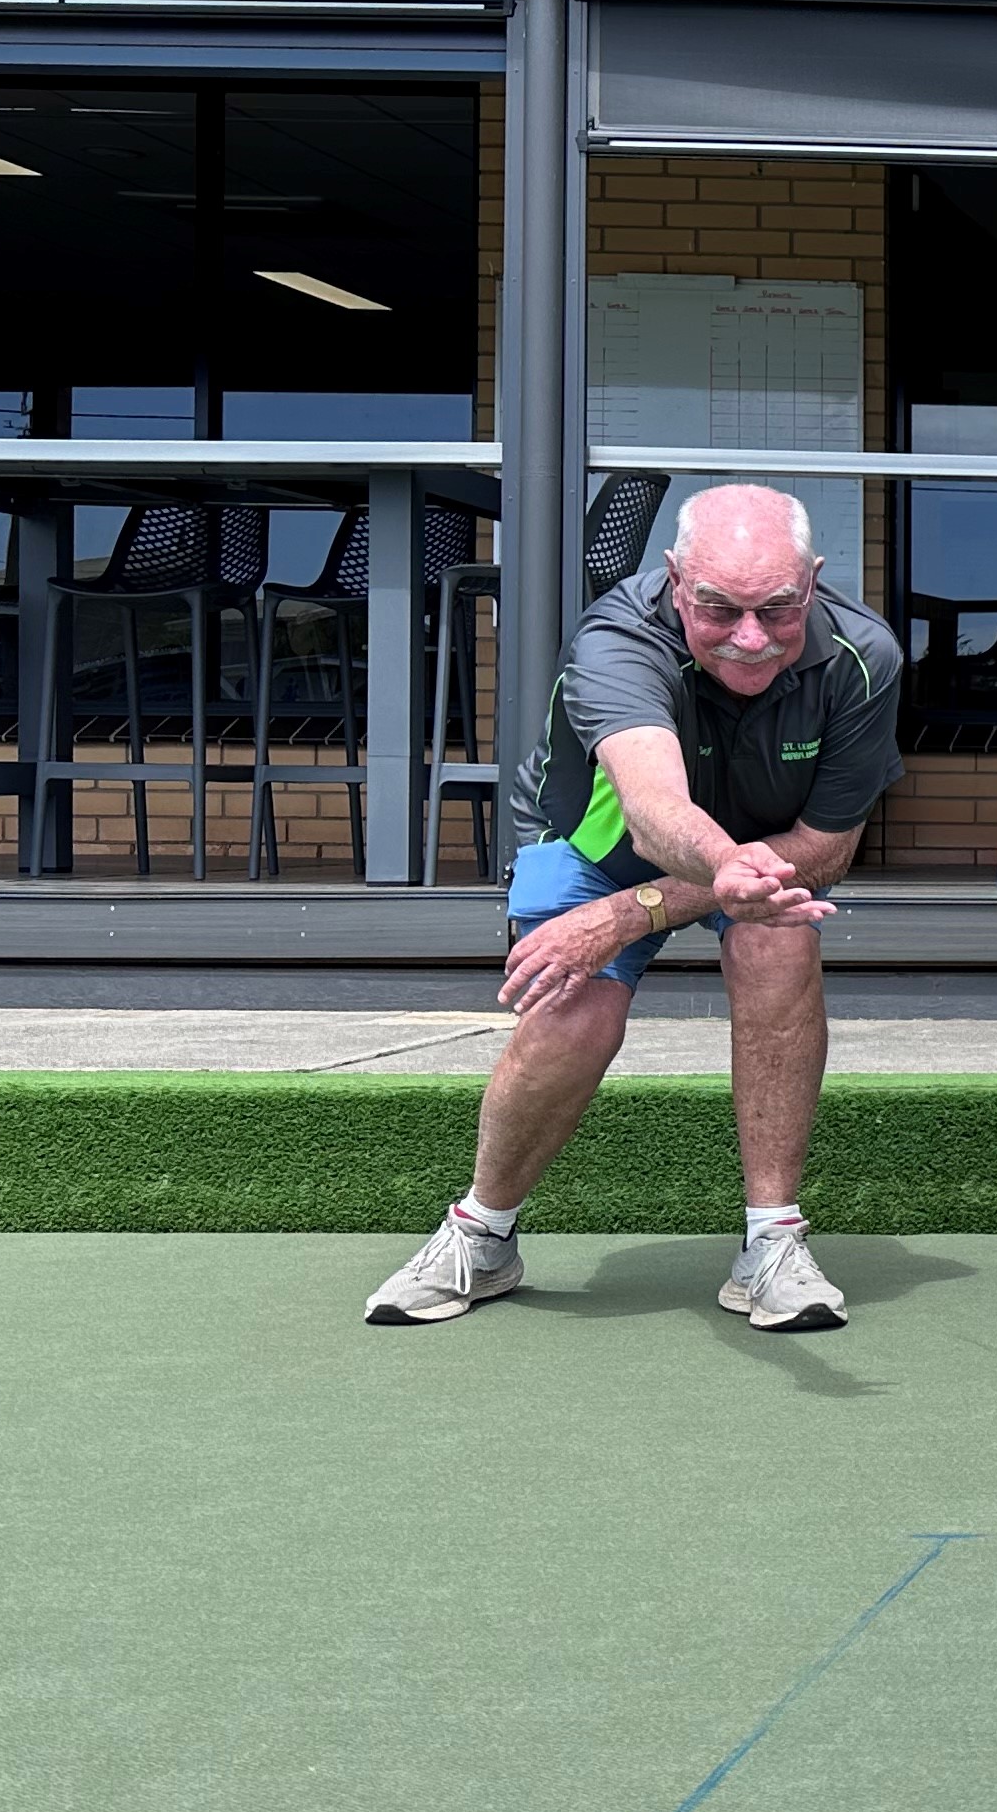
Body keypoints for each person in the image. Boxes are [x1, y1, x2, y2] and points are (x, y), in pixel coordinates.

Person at [360, 483, 902, 1335]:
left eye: (778, 609)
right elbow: (652, 810)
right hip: (600, 841)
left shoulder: (866, 657)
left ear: (814, 581)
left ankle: (773, 1245)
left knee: (779, 944)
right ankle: (483, 1235)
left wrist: (657, 907)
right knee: (570, 1006)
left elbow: (828, 845)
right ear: (677, 579)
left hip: (756, 851)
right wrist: (716, 875)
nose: (751, 637)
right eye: (719, 608)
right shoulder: (617, 638)